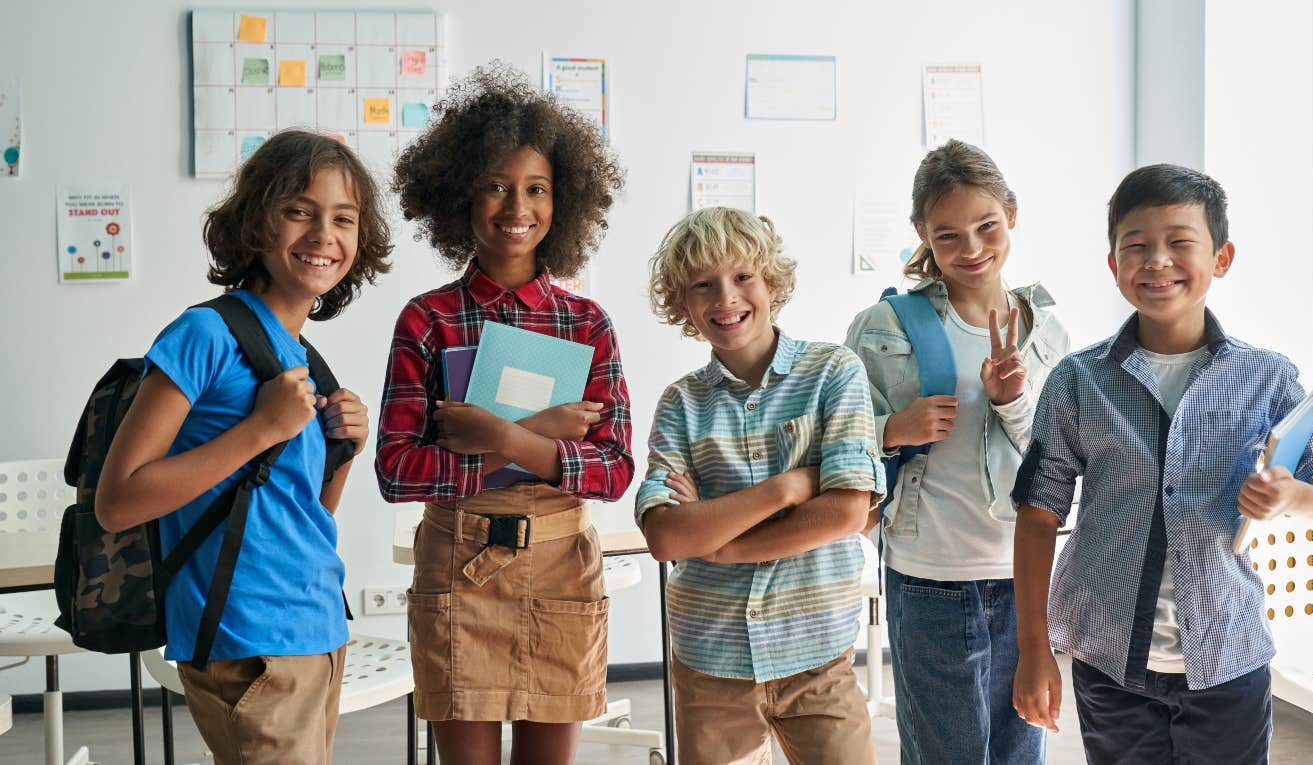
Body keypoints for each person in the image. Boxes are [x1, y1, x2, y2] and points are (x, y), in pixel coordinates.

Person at [1012, 163, 1313, 763]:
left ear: (1221, 257)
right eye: (1136, 246)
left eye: (1179, 243)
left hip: (1228, 654)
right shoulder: (1078, 381)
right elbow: (1037, 516)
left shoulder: (1265, 377)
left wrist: (1290, 496)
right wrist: (1034, 650)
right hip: (1110, 657)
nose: (1157, 261)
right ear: (1114, 265)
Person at [94, 129, 393, 764]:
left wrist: (343, 450)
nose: (323, 235)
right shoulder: (203, 334)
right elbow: (118, 502)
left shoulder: (304, 359)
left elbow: (298, 514)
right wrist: (260, 429)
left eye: (344, 218)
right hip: (245, 639)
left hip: (315, 627)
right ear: (257, 222)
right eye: (299, 211)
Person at [376, 62, 632, 765]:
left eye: (536, 188)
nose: (516, 206)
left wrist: (505, 435)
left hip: (561, 567)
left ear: (563, 200)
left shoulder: (587, 324)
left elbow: (613, 473)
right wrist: (531, 438)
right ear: (459, 196)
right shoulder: (427, 320)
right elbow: (396, 472)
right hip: (460, 567)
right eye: (494, 185)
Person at [844, 138, 1068, 765]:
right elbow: (835, 442)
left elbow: (1057, 462)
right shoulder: (885, 327)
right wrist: (893, 428)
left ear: (1012, 215)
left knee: (1022, 752)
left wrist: (1011, 402)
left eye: (986, 226)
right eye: (948, 235)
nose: (971, 249)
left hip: (1023, 576)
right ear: (922, 233)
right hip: (928, 577)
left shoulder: (1046, 332)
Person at [636, 206, 885, 765]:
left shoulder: (833, 372)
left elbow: (847, 511)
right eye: (703, 285)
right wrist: (788, 488)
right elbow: (669, 539)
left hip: (818, 654)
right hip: (710, 658)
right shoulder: (680, 403)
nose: (725, 298)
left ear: (771, 283)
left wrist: (722, 541)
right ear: (684, 305)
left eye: (742, 277)